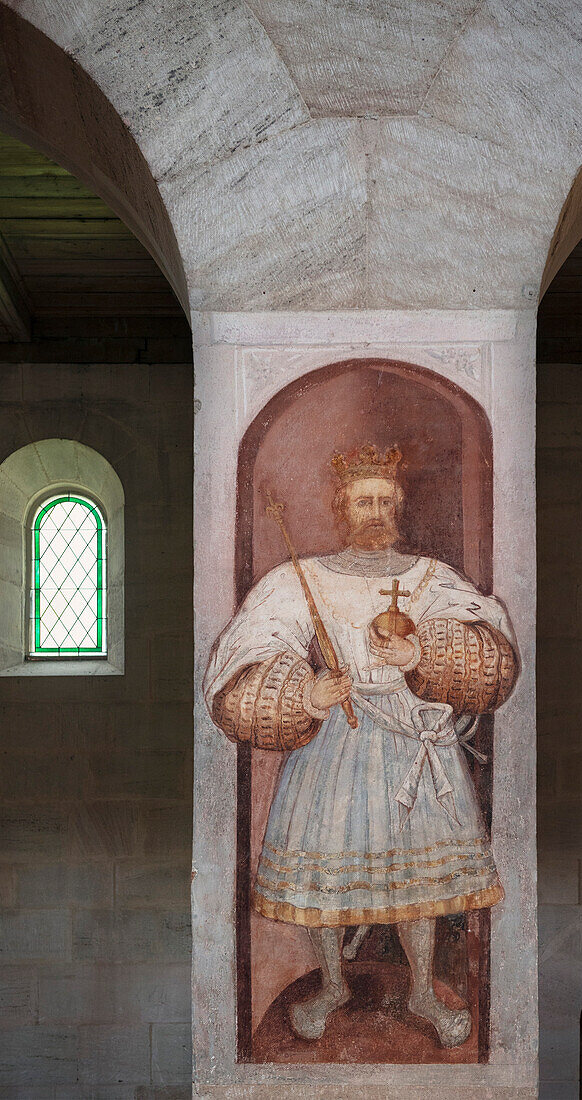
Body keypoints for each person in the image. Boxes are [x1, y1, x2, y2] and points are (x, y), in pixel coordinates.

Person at [204, 444, 518, 1048]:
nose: (375, 510)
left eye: (385, 500)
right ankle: (332, 985)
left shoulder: (429, 578)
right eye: (363, 500)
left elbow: (489, 643)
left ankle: (424, 987)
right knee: (329, 872)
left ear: (397, 506)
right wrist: (309, 691)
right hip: (335, 746)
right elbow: (250, 650)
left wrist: (421, 654)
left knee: (418, 882)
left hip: (410, 742)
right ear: (342, 508)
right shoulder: (304, 579)